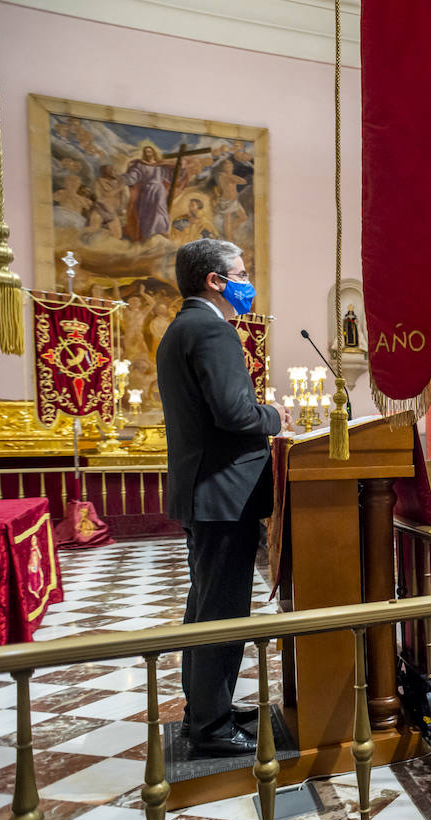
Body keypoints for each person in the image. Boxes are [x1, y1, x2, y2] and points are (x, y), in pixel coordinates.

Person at [157, 239, 287, 757]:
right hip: (223, 494)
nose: (245, 280)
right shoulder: (212, 330)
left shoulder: (181, 328)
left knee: (206, 609)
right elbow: (236, 415)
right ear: (215, 279)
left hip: (206, 493)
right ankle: (211, 729)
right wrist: (276, 416)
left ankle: (206, 710)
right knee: (222, 613)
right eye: (240, 272)